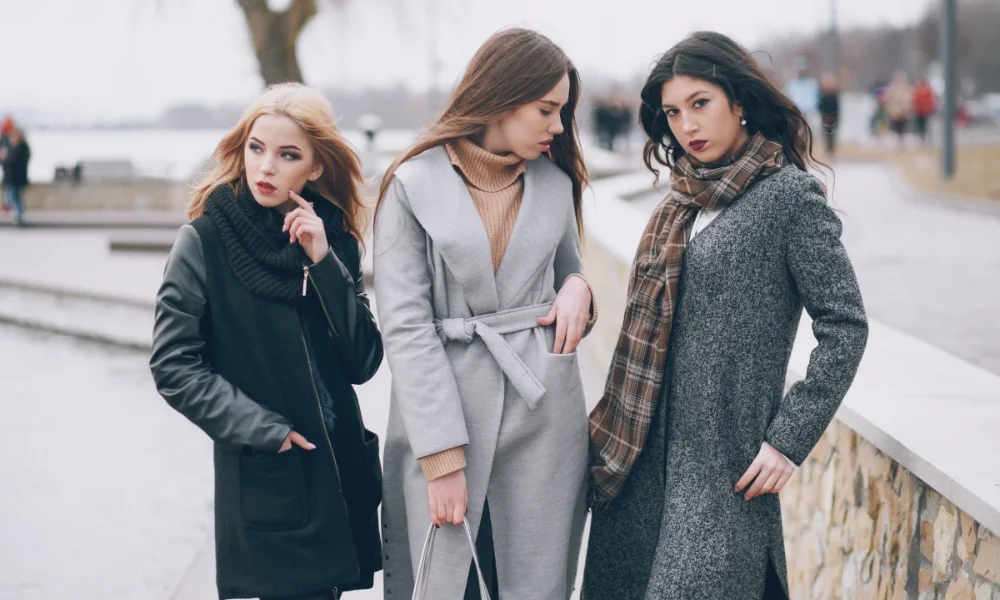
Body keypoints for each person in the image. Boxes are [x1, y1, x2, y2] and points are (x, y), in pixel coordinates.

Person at [584, 31, 868, 600]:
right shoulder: (676, 204)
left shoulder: (789, 198)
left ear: (738, 102)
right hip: (639, 466)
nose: (687, 125)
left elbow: (845, 325)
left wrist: (788, 439)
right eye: (672, 112)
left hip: (723, 473)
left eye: (700, 104)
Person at [373, 27, 596, 600]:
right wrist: (442, 459)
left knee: (532, 584)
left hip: (543, 419)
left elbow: (571, 272)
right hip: (447, 424)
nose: (557, 127)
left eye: (562, 112)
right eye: (546, 110)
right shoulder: (410, 184)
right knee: (449, 584)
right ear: (501, 95)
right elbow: (405, 328)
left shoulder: (553, 183)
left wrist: (578, 289)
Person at [149, 83, 384, 600]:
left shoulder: (334, 238)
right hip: (269, 474)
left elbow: (364, 360)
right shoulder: (203, 240)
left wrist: (324, 263)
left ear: (316, 166)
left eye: (288, 154)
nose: (267, 167)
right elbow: (173, 365)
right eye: (257, 148)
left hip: (338, 477)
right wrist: (266, 431)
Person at [1, 125, 30, 227]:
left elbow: (11, 162)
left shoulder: (20, 148)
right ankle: (18, 216)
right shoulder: (18, 148)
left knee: (14, 198)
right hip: (13, 178)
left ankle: (19, 217)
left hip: (15, 179)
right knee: (12, 198)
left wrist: (4, 157)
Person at [885, 71, 913, 149]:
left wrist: (906, 108)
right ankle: (896, 144)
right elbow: (890, 100)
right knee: (895, 129)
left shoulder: (906, 88)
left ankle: (901, 144)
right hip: (895, 112)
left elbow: (908, 100)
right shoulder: (892, 88)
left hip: (903, 113)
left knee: (902, 129)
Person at [818, 73, 841, 156]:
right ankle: (827, 150)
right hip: (825, 117)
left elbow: (837, 107)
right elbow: (820, 106)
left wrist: (836, 116)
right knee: (826, 134)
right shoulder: (822, 94)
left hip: (833, 117)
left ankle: (832, 151)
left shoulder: (834, 95)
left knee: (833, 135)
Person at [912, 78, 938, 145]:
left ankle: (925, 139)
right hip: (920, 111)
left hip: (924, 111)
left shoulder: (924, 90)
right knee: (922, 126)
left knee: (924, 126)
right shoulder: (919, 90)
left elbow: (930, 100)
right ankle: (923, 139)